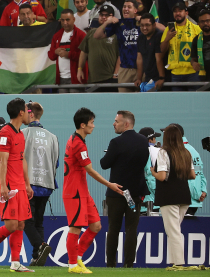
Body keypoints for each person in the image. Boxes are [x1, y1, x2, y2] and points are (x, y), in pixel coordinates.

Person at [62, 107, 123, 274]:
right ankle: (72, 265)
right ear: (83, 125)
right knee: (75, 228)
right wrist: (109, 184)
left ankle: (78, 258)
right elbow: (89, 170)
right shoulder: (78, 144)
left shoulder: (77, 140)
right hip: (74, 192)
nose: (94, 126)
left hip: (82, 192)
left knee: (96, 225)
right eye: (92, 123)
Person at [0, 98, 33, 273]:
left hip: (20, 185)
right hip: (8, 186)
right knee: (11, 225)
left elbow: (22, 159)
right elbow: (3, 162)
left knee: (21, 224)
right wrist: (3, 186)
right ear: (20, 113)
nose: (29, 112)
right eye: (27, 109)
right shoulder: (5, 133)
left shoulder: (21, 134)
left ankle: (15, 263)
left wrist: (27, 183)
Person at [100, 110, 149, 268]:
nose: (113, 124)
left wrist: (111, 155)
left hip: (116, 193)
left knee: (113, 228)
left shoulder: (116, 142)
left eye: (116, 121)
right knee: (131, 228)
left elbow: (104, 163)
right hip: (135, 194)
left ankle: (111, 264)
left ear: (126, 124)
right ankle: (128, 264)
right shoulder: (143, 141)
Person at [151, 125, 197, 271]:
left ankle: (179, 263)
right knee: (174, 230)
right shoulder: (186, 153)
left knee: (173, 231)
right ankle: (173, 261)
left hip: (168, 196)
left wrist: (153, 172)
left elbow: (162, 176)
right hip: (184, 196)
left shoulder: (163, 152)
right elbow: (192, 175)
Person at [21, 103, 58, 267]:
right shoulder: (52, 137)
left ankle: (40, 245)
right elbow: (55, 163)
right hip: (47, 183)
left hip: (29, 184)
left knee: (26, 221)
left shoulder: (23, 134)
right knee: (38, 222)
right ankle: (37, 257)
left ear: (30, 114)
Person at [160, 2, 202, 90]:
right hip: (175, 74)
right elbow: (161, 51)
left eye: (180, 11)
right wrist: (167, 38)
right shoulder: (168, 29)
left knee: (193, 102)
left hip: (192, 73)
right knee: (178, 103)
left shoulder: (197, 29)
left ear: (186, 13)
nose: (177, 13)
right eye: (175, 11)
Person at [48, 9, 86, 91]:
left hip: (76, 78)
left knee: (75, 103)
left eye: (67, 20)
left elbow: (86, 56)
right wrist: (55, 52)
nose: (65, 23)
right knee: (63, 103)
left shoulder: (81, 35)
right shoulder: (57, 35)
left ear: (73, 19)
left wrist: (68, 54)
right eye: (62, 20)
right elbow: (51, 56)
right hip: (61, 78)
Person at [135, 13, 165, 90]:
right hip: (148, 78)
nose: (144, 28)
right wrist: (139, 78)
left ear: (154, 25)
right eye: (142, 25)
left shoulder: (159, 36)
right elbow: (139, 59)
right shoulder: (140, 38)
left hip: (160, 79)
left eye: (147, 25)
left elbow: (159, 59)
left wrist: (161, 78)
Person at [191, 8, 210, 77]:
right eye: (202, 21)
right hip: (204, 76)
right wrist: (194, 63)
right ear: (198, 24)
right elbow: (193, 58)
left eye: (207, 21)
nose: (205, 23)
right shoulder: (196, 39)